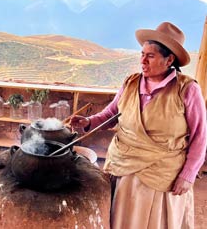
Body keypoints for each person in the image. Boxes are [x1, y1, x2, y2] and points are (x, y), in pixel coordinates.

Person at [70, 22, 206, 229]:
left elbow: (200, 136)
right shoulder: (131, 83)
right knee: (123, 221)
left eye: (150, 56)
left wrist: (187, 175)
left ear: (169, 60)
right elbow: (112, 113)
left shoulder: (187, 90)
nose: (142, 60)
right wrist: (89, 122)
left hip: (162, 175)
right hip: (124, 167)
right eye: (142, 54)